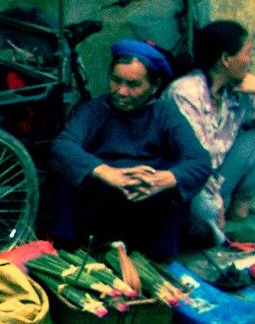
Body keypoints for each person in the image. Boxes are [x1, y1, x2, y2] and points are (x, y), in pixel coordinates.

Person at [50, 40, 212, 260]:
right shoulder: (97, 110)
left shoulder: (164, 114)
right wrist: (107, 173)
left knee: (176, 183)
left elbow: (200, 160)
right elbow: (63, 145)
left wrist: (164, 179)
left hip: (146, 204)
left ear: (154, 86)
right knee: (69, 175)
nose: (122, 91)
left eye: (133, 85)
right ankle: (71, 251)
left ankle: (158, 260)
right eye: (116, 81)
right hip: (101, 205)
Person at [165, 20, 255, 244]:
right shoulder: (186, 93)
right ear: (226, 59)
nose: (250, 61)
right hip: (187, 184)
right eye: (247, 53)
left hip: (217, 177)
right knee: (210, 235)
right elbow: (197, 162)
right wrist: (215, 206)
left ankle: (239, 210)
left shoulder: (233, 92)